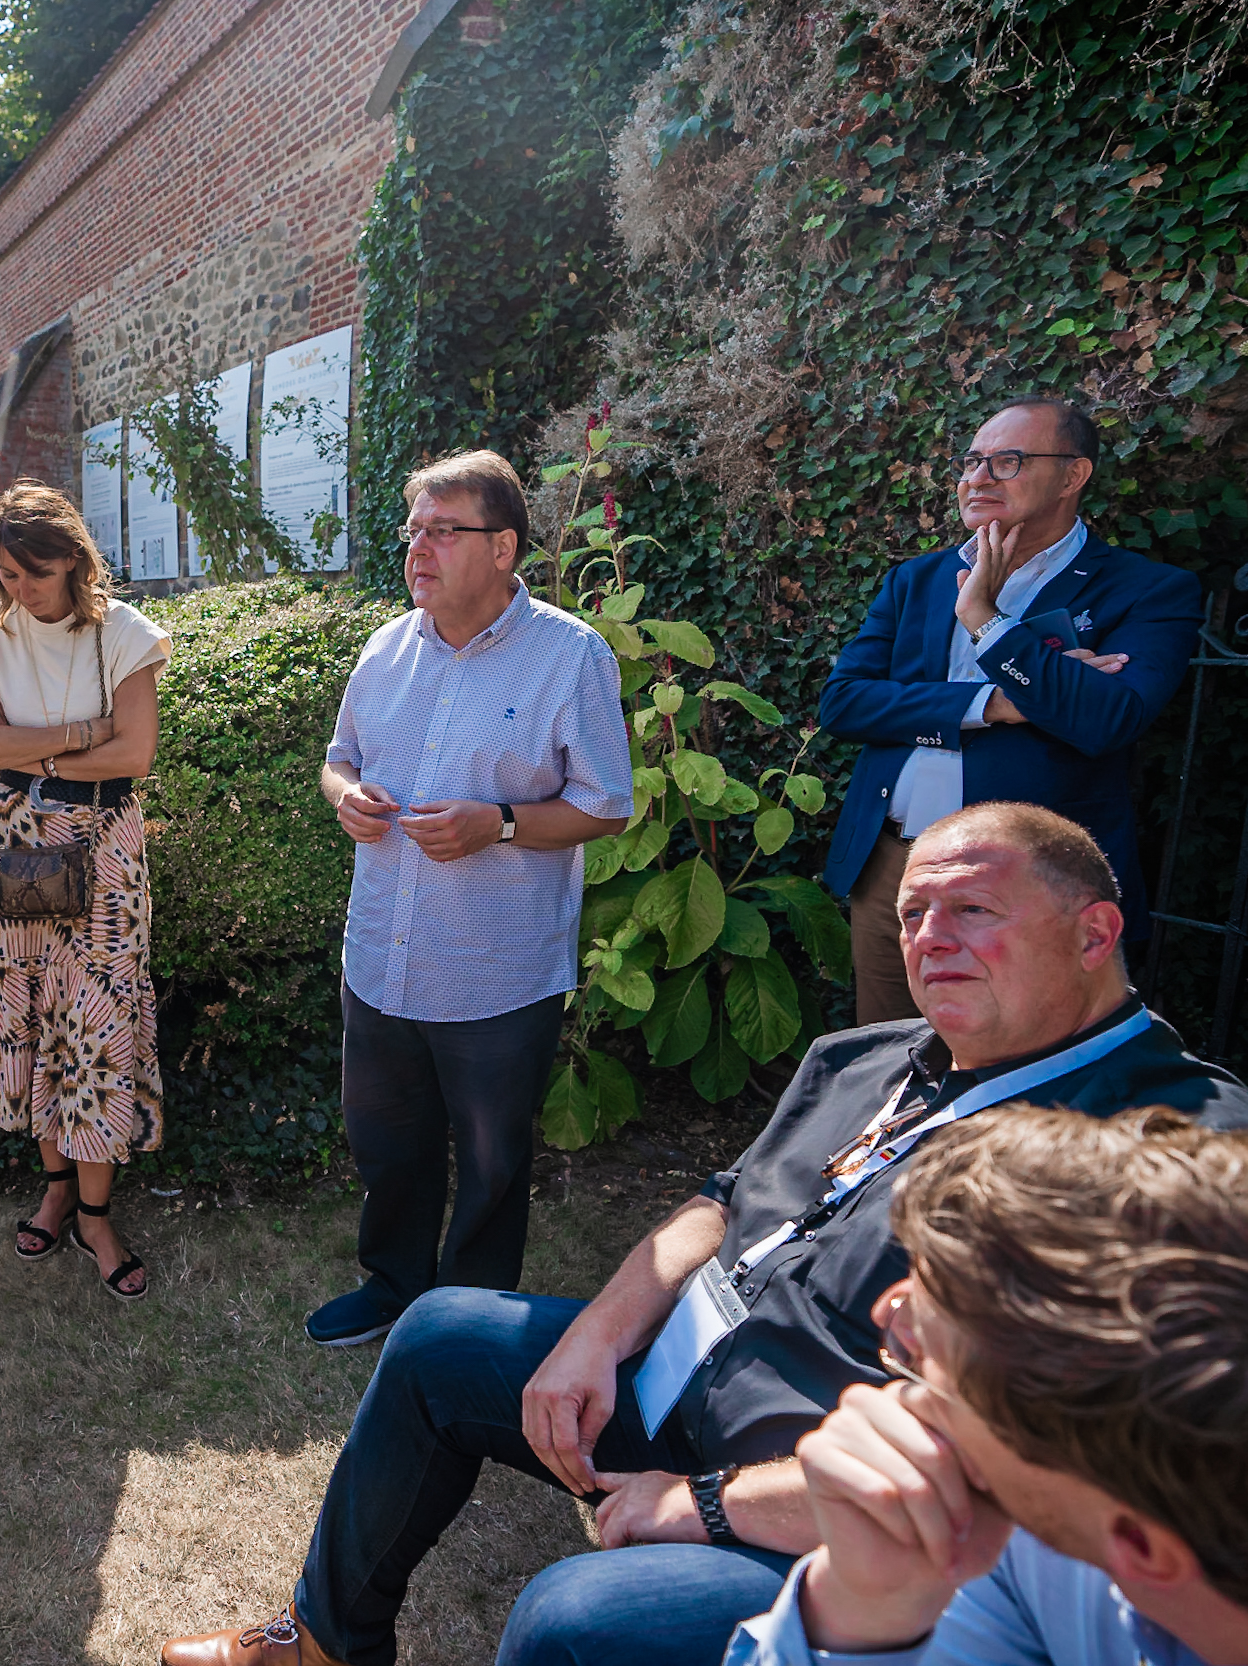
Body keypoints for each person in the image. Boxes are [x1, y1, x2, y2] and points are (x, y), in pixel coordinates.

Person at [157, 802, 1248, 1666]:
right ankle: (321, 1642)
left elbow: (1040, 1441)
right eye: (912, 914)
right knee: (441, 1334)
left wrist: (703, 1505)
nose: (927, 940)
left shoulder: (1170, 1142)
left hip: (835, 1497)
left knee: (578, 1619)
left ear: (1093, 931)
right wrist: (596, 1333)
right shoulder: (865, 1054)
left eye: (969, 911)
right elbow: (721, 1203)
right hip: (678, 1388)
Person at [307, 450, 634, 1347]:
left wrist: (499, 823)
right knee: (388, 1144)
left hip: (497, 971)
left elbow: (607, 805)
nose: (419, 548)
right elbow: (338, 760)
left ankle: (466, 1326)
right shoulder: (385, 648)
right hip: (382, 955)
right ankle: (391, 1286)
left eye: (443, 530)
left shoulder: (570, 657)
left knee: (491, 1164)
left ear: (503, 548)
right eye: (414, 530)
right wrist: (348, 799)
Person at [726, 1105, 1248, 1666]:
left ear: (1140, 1550)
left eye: (914, 1365)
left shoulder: (1051, 1526)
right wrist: (863, 1612)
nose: (887, 1317)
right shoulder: (1046, 1520)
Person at [819, 396, 1198, 1024]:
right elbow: (845, 702)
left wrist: (986, 622)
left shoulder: (1147, 591)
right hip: (895, 868)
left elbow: (1107, 718)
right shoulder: (915, 579)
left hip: (1029, 884)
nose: (978, 478)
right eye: (972, 462)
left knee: (1026, 1059)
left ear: (1073, 476)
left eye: (1008, 461)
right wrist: (994, 703)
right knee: (886, 1053)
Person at [0, 482, 169, 1300]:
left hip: (101, 848)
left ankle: (97, 1215)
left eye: (33, 573)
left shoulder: (124, 635)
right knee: (33, 1014)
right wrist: (77, 736)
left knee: (94, 1020)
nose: (19, 591)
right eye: (5, 574)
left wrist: (27, 748)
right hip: (18, 842)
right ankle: (57, 1186)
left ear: (72, 558)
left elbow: (134, 755)